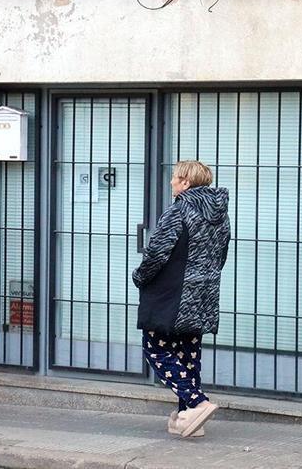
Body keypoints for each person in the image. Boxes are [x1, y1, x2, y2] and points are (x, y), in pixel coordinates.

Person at [131, 160, 230, 438]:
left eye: (175, 178)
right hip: (203, 293)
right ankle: (189, 420)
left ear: (186, 182)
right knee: (188, 354)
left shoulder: (179, 211)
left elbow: (156, 254)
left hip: (171, 294)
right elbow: (220, 256)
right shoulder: (220, 216)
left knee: (155, 348)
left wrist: (139, 276)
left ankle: (197, 403)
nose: (172, 182)